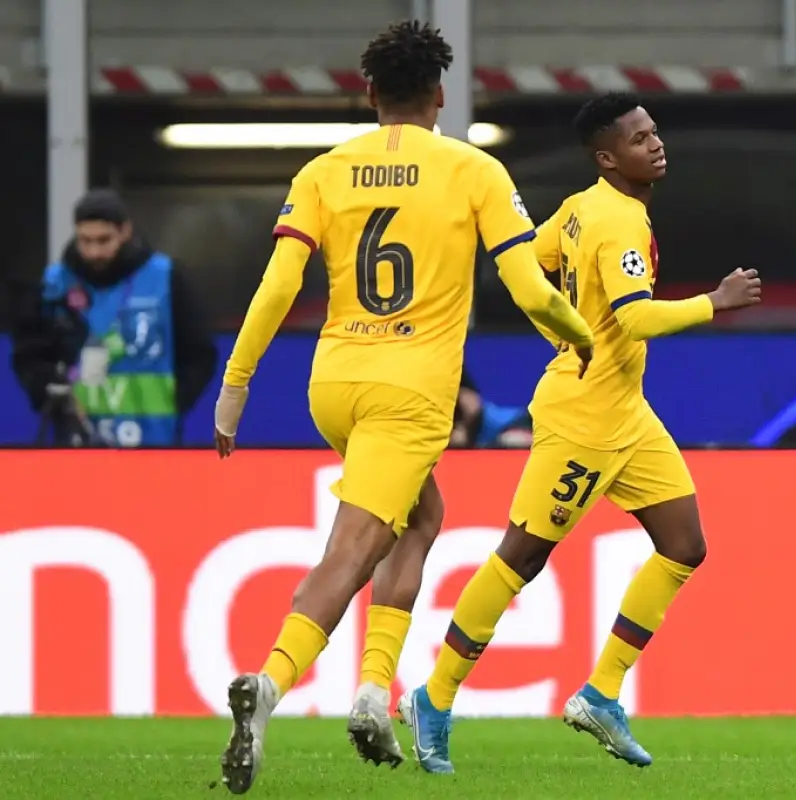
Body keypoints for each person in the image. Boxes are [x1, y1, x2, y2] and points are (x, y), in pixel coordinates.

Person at [210, 20, 594, 794]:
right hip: (411, 390)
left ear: (369, 92)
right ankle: (270, 686)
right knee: (352, 549)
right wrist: (581, 337)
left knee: (421, 519)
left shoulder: (324, 170)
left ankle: (372, 695)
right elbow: (528, 289)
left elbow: (279, 285)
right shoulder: (473, 169)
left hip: (334, 380)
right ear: (442, 96)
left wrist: (237, 382)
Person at [398, 92, 762, 774]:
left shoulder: (579, 205)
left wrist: (565, 330)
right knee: (520, 560)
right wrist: (715, 302)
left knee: (684, 546)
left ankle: (601, 693)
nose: (656, 144)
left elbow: (525, 267)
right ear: (607, 157)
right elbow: (633, 319)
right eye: (638, 138)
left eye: (655, 131)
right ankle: (434, 697)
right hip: (584, 421)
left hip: (626, 408)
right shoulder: (617, 222)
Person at [10, 189, 216, 446]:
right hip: (77, 436)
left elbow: (199, 351)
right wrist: (48, 393)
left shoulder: (166, 278)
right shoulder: (55, 285)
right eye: (85, 240)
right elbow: (29, 353)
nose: (94, 251)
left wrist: (177, 399)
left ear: (125, 232)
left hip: (153, 436)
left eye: (104, 240)